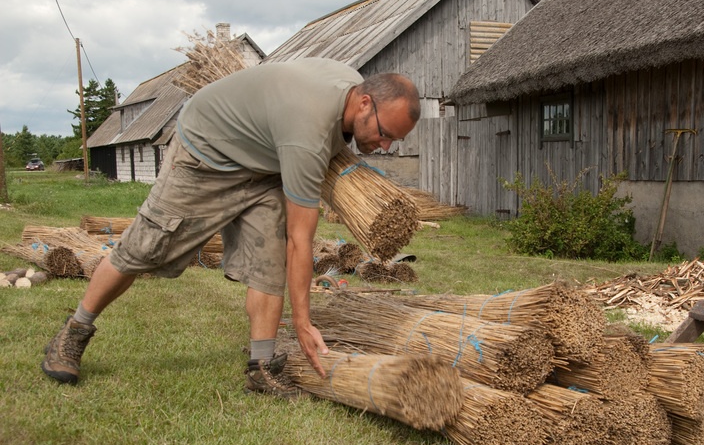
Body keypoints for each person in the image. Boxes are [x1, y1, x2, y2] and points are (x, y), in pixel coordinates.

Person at [41, 57, 421, 397]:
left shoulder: (350, 85)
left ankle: (260, 368)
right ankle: (73, 333)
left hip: (263, 165)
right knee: (143, 248)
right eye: (385, 133)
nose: (386, 146)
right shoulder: (308, 132)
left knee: (268, 264)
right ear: (365, 103)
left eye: (395, 140)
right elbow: (300, 240)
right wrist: (303, 322)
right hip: (207, 153)